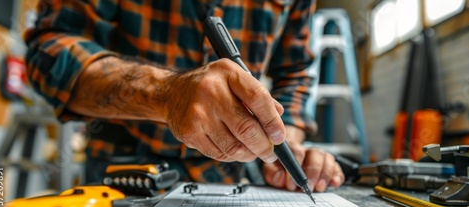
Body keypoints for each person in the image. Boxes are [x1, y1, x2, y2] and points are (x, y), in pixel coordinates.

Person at [25, 0, 344, 192]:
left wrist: (288, 142)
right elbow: (49, 52)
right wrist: (166, 94)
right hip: (125, 171)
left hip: (234, 178)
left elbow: (295, 72)